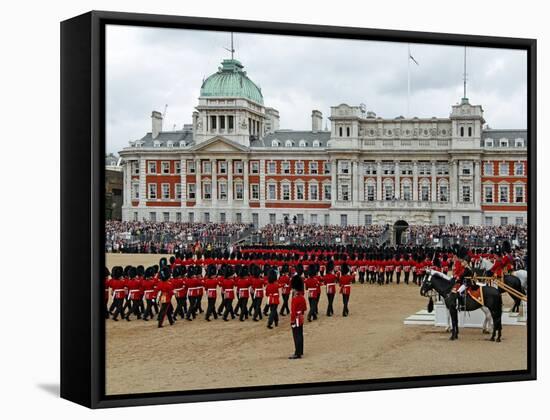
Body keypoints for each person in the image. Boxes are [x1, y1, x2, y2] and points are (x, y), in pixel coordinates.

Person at [289, 274, 307, 359]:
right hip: (300, 317)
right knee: (300, 334)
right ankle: (300, 351)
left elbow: (293, 311)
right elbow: (304, 308)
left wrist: (292, 320)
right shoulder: (302, 297)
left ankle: (297, 353)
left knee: (296, 335)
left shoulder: (295, 299)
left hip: (295, 318)